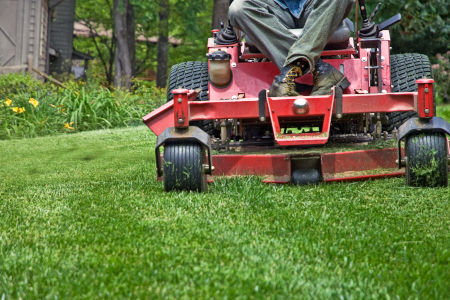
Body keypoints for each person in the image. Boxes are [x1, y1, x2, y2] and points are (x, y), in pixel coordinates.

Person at [228, 0, 355, 97]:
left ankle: (292, 70)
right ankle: (319, 69)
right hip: (273, 8)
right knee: (238, 9)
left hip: (317, 7)